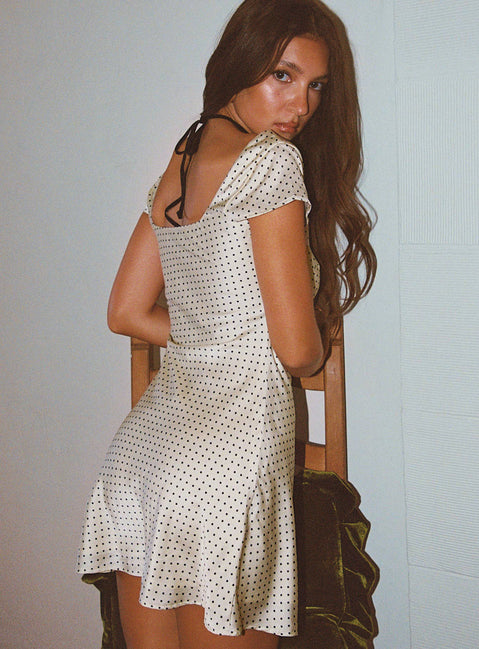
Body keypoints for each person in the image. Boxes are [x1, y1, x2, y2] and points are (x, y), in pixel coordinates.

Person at [77, 1, 376, 648]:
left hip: (143, 457)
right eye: (282, 75)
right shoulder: (271, 161)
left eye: (316, 85)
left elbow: (125, 311)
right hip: (227, 465)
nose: (300, 104)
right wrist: (289, 339)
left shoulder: (186, 154)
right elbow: (296, 351)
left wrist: (212, 337)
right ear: (241, 63)